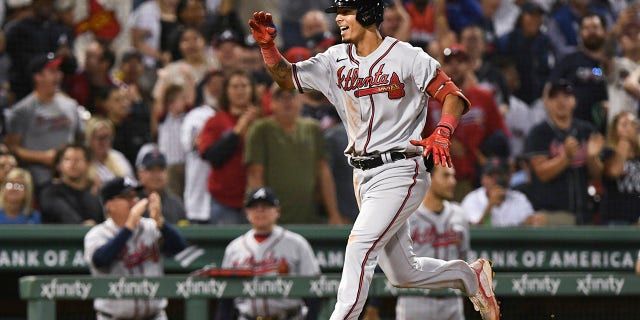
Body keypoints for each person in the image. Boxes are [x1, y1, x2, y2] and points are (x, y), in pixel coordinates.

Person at [248, 2, 500, 319]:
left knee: (359, 249)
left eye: (347, 10)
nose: (339, 18)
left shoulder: (407, 56)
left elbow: (452, 96)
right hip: (362, 175)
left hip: (400, 168)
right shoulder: (334, 59)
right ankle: (468, 276)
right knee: (402, 273)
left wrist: (443, 131)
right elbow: (287, 78)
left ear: (368, 13)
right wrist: (268, 48)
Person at [84, 177, 187, 320]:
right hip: (113, 317)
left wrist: (160, 221)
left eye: (135, 196)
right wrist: (129, 226)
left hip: (154, 316)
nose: (134, 201)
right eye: (126, 197)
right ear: (109, 205)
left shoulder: (150, 227)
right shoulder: (97, 234)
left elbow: (178, 247)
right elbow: (101, 260)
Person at [245, 84, 346, 224]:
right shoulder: (261, 129)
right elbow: (255, 174)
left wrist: (333, 214)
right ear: (271, 103)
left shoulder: (313, 129)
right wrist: (262, 214)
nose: (287, 101)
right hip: (273, 219)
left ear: (300, 100)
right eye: (280, 97)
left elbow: (323, 171)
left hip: (308, 216)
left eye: (291, 96)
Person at [214, 187, 321, 320]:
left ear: (277, 211)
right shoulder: (234, 248)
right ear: (247, 212)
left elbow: (314, 290)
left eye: (266, 206)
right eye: (254, 207)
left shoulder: (297, 243)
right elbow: (226, 299)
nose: (260, 210)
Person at [523, 79, 604, 225]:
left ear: (575, 101)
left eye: (566, 96)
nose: (561, 101)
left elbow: (597, 175)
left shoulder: (586, 130)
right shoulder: (539, 133)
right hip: (552, 213)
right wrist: (565, 157)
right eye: (554, 97)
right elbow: (542, 174)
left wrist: (592, 157)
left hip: (585, 213)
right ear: (546, 102)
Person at [4, 53, 85, 197]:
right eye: (52, 72)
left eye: (59, 71)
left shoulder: (71, 105)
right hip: (38, 179)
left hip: (71, 178)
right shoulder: (22, 110)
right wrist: (43, 157)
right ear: (37, 77)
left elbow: (80, 139)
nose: (58, 76)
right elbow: (13, 148)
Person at [395, 165, 468, 320]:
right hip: (416, 300)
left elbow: (464, 257)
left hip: (452, 301)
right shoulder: (407, 214)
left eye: (453, 176)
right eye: (446, 176)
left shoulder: (459, 215)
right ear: (429, 179)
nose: (452, 182)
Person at [198, 70, 260, 224]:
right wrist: (239, 129)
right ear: (226, 91)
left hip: (258, 200)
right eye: (235, 86)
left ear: (252, 90)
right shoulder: (215, 121)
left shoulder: (263, 122)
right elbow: (212, 156)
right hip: (224, 201)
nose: (240, 91)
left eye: (244, 86)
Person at [461, 156, 546, 227]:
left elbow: (530, 223)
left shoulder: (519, 198)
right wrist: (490, 206)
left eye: (500, 176)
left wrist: (534, 221)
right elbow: (472, 231)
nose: (495, 181)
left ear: (508, 178)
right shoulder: (472, 199)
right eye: (491, 176)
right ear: (483, 179)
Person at [39, 143, 104, 225]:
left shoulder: (94, 197)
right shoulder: (49, 192)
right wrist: (82, 224)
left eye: (77, 160)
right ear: (59, 165)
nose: (72, 164)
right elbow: (64, 214)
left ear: (88, 164)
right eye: (67, 159)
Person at [599, 111, 640, 225]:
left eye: (632, 123)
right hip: (616, 218)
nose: (629, 127)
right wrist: (624, 141)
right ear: (615, 130)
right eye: (624, 124)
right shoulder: (608, 153)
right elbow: (614, 171)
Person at [135, 144, 187, 225]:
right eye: (151, 169)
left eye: (160, 170)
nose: (156, 175)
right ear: (140, 174)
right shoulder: (132, 202)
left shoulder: (176, 204)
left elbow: (184, 234)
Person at [85, 117, 136, 192]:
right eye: (100, 138)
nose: (104, 142)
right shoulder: (84, 161)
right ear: (90, 139)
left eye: (108, 137)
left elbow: (132, 183)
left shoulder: (118, 157)